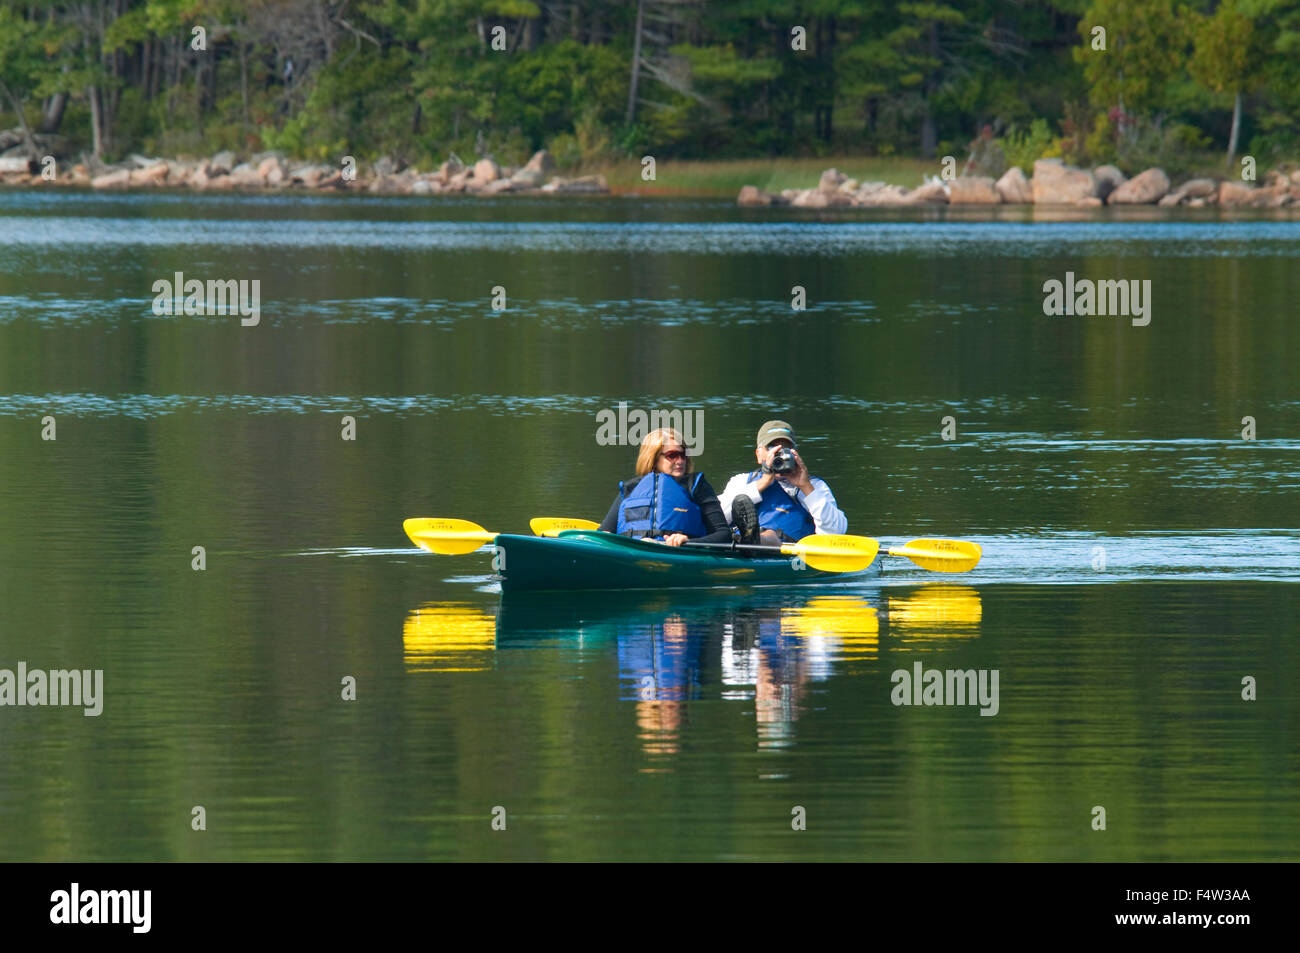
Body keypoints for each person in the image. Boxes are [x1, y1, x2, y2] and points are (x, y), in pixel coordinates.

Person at [717, 420, 847, 545]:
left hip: (789, 552)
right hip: (738, 549)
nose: (779, 455)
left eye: (786, 449)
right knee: (739, 506)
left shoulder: (815, 486)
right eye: (772, 448)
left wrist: (805, 487)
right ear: (758, 454)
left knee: (771, 536)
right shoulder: (741, 481)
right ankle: (750, 538)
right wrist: (763, 483)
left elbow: (835, 532)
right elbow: (716, 519)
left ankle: (756, 539)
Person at [598, 428, 733, 547]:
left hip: (679, 552)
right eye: (672, 455)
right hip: (633, 549)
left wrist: (688, 541)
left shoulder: (696, 486)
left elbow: (723, 534)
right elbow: (604, 532)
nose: (680, 461)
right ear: (653, 458)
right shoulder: (631, 488)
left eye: (683, 454)